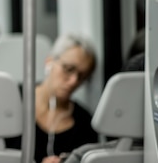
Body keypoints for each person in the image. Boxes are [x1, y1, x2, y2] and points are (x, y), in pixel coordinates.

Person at [6, 33, 98, 163]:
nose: (74, 81)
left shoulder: (84, 123)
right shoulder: (12, 98)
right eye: (69, 69)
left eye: (82, 76)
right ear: (49, 62)